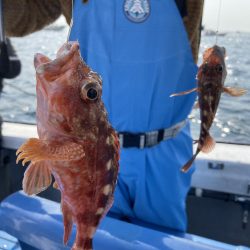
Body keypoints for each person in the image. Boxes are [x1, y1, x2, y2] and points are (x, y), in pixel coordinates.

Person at [4, 0, 204, 233]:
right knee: (95, 235)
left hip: (166, 153)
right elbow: (26, 15)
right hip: (88, 151)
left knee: (163, 239)